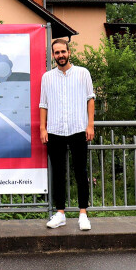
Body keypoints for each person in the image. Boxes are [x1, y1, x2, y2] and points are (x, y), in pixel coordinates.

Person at [40, 38, 95, 231]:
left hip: (78, 129)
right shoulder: (47, 77)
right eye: (57, 53)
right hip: (55, 131)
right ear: (53, 55)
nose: (60, 55)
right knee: (59, 174)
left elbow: (90, 99)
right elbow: (43, 105)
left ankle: (83, 214)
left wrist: (90, 125)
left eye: (63, 52)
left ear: (69, 52)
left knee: (81, 172)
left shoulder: (82, 73)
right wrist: (42, 128)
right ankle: (60, 213)